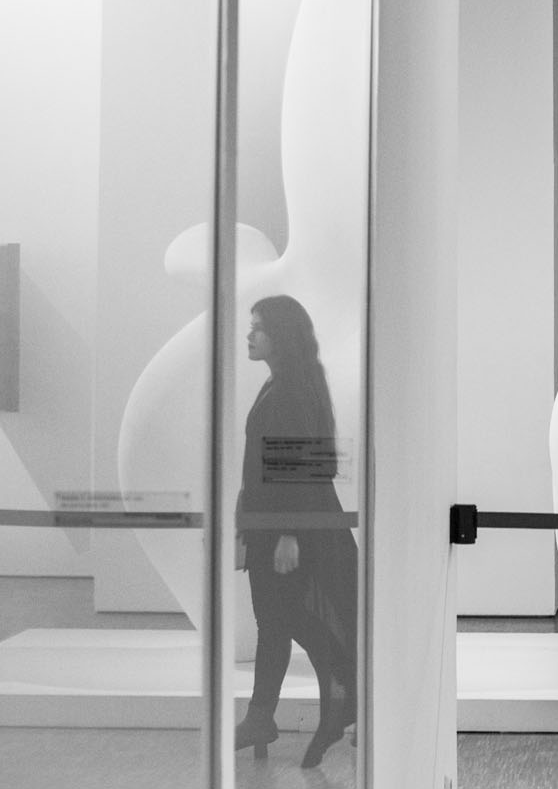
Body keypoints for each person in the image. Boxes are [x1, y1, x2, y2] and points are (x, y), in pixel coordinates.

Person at [233, 295, 358, 769]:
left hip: (286, 531)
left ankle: (334, 692)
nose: (249, 335)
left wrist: (288, 534)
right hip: (275, 526)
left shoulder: (290, 389)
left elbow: (299, 466)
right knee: (277, 623)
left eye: (258, 327)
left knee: (279, 622)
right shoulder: (287, 383)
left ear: (280, 335)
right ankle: (274, 713)